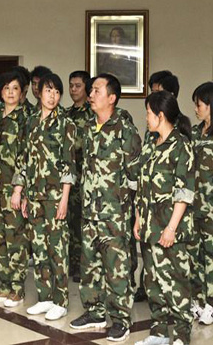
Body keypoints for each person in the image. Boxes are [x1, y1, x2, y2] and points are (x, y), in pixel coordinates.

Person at [70, 74, 141, 342]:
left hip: (114, 214)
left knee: (116, 268)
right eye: (91, 90)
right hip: (89, 210)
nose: (90, 95)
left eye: (97, 91)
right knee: (90, 265)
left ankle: (121, 320)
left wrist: (129, 211)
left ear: (111, 97)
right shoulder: (89, 127)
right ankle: (95, 312)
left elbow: (135, 176)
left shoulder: (125, 129)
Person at [132, 90, 195, 345]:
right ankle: (158, 333)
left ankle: (181, 335)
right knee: (153, 283)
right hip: (149, 227)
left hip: (170, 228)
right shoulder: (151, 143)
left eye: (148, 113)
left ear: (160, 115)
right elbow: (141, 185)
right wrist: (138, 218)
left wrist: (171, 228)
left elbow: (184, 193)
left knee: (176, 284)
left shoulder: (181, 146)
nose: (146, 118)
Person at [13, 73, 76, 321]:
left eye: (57, 92)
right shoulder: (30, 121)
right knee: (38, 248)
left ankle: (60, 300)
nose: (53, 96)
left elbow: (69, 164)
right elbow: (24, 159)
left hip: (54, 197)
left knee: (57, 249)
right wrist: (21, 192)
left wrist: (64, 199)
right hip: (34, 196)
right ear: (39, 93)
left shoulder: (65, 123)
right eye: (48, 91)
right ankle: (45, 296)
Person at [0, 70, 29, 307]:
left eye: (15, 88)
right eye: (6, 88)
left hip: (13, 189)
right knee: (0, 238)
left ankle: (17, 288)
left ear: (21, 92)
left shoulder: (25, 119)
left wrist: (18, 189)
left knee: (16, 240)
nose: (10, 93)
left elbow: (25, 157)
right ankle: (3, 285)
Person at [188, 82, 213, 324]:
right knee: (195, 255)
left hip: (211, 208)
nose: (196, 109)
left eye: (199, 104)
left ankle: (211, 304)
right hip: (194, 206)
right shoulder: (195, 133)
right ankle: (198, 300)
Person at [66, 70, 92, 282]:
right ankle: (72, 264)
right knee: (70, 223)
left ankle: (84, 266)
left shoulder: (92, 114)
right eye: (71, 85)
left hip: (86, 179)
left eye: (78, 86)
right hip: (69, 180)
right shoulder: (66, 115)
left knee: (84, 224)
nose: (73, 90)